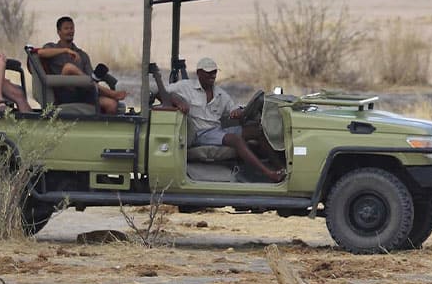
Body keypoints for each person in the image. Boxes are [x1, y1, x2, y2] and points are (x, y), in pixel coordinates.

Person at [153, 56, 283, 181]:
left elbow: (234, 110)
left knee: (258, 130)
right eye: (209, 72)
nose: (212, 75)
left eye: (214, 72)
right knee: (235, 139)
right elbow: (159, 91)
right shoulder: (186, 87)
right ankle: (268, 173)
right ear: (199, 73)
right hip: (199, 133)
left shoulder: (220, 94)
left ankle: (281, 168)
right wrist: (176, 100)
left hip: (217, 131)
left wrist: (239, 112)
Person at [33, 16, 128, 115]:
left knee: (111, 104)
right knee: (69, 67)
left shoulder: (82, 55)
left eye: (72, 28)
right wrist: (65, 50)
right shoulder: (52, 47)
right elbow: (40, 53)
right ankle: (110, 93)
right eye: (66, 28)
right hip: (64, 93)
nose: (70, 31)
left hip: (82, 92)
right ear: (59, 32)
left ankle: (104, 129)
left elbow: (91, 78)